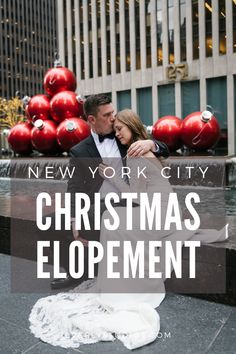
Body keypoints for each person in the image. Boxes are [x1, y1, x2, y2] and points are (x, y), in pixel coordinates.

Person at [29, 109, 228, 350]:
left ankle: (119, 287)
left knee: (112, 221)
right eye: (115, 130)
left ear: (132, 128)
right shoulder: (138, 149)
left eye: (120, 129)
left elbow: (137, 196)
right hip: (166, 210)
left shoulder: (136, 152)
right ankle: (114, 280)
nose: (117, 133)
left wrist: (113, 177)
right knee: (112, 218)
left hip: (158, 213)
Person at [50, 94, 169, 290]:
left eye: (113, 112)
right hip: (98, 203)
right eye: (107, 115)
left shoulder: (124, 135)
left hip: (130, 202)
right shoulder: (79, 151)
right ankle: (75, 273)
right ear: (91, 119)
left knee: (92, 216)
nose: (113, 118)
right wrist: (72, 218)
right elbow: (74, 189)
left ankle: (102, 271)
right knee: (51, 223)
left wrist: (151, 144)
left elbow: (164, 150)